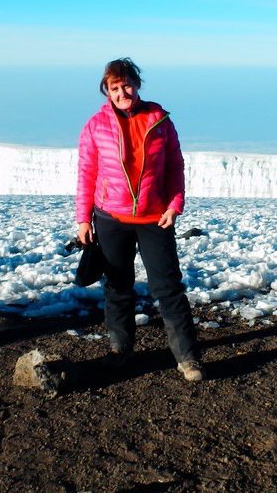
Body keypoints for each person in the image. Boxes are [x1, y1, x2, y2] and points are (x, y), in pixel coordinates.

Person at [76, 58, 203, 382]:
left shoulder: (159, 120)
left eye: (127, 84)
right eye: (115, 87)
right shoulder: (95, 126)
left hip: (155, 218)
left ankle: (188, 358)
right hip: (110, 217)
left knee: (168, 288)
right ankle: (121, 351)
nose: (123, 92)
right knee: (118, 287)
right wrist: (83, 220)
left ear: (137, 84)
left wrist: (175, 206)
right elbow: (87, 174)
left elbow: (175, 167)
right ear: (107, 90)